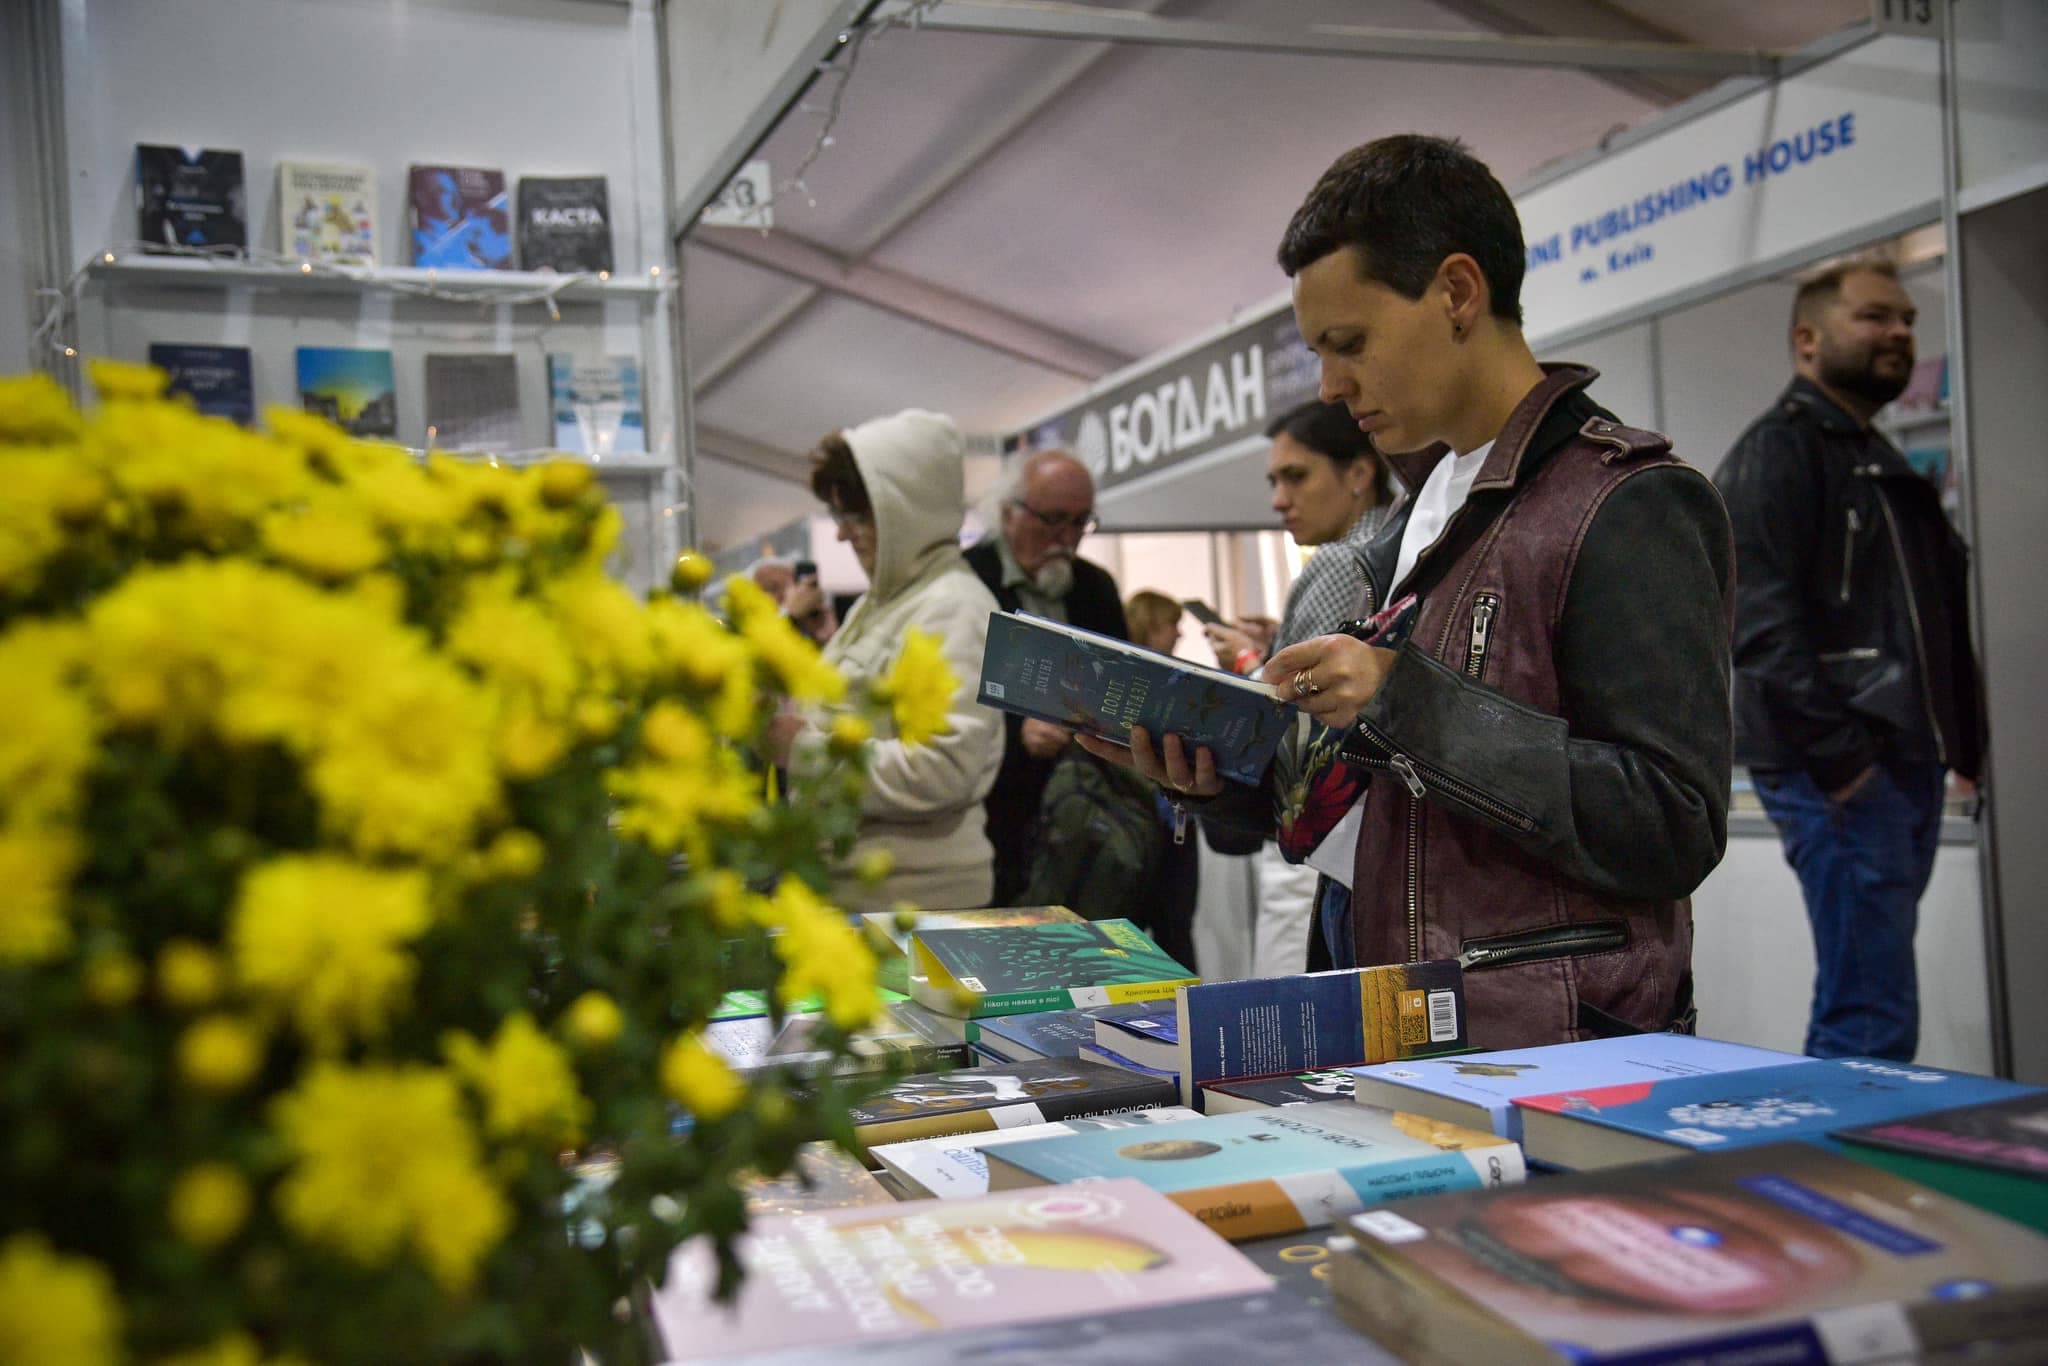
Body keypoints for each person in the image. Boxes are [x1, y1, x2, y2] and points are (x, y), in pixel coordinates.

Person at [1080, 134, 1734, 1049]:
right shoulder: (1430, 503)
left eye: (1349, 344)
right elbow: (1386, 801)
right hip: (1386, 980)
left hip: (1539, 1042)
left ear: (1458, 293)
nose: (1332, 384)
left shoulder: (1628, 503)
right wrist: (1217, 775)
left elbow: (1674, 821)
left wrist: (1402, 698)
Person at [1715, 261, 1984, 1062]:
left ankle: (1844, 1167)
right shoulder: (1778, 454)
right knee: (1869, 1012)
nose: (1900, 332)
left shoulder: (1871, 454)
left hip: (1893, 764)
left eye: (1905, 318)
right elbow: (1757, 628)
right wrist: (1845, 766)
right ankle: (1839, 1179)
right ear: (1807, 341)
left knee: (1871, 998)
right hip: (1840, 770)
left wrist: (1959, 750)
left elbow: (1928, 620)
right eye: (1874, 318)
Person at [771, 410, 1005, 913]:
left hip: (912, 912)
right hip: (868, 902)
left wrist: (805, 752)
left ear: (906, 510)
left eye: (856, 516)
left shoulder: (953, 607)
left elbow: (942, 768)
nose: (841, 535)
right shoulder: (888, 602)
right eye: (840, 516)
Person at [1204, 400, 1399, 977]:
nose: (1279, 499)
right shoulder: (1394, 544)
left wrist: (1245, 662)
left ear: (1359, 473)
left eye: (1297, 476)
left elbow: (1286, 702)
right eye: (1274, 481)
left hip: (1313, 831)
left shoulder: (1343, 559)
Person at [965, 449, 1129, 905]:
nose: (1066, 538)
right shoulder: (968, 583)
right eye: (1054, 519)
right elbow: (944, 699)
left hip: (1082, 815)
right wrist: (1017, 731)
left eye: (1080, 522)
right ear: (1007, 513)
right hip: (992, 819)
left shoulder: (1095, 588)